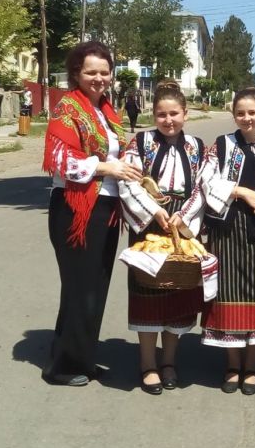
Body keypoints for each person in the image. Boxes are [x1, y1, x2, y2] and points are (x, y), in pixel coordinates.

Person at [41, 40, 137, 386]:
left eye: (104, 72)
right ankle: (62, 366)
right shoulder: (67, 108)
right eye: (90, 72)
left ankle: (82, 357)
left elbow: (119, 153)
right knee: (80, 287)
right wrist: (108, 167)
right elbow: (61, 161)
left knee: (96, 286)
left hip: (107, 208)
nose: (99, 78)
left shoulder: (109, 111)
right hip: (76, 209)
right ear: (76, 74)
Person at [176, 87, 255, 395]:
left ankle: (251, 365)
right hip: (225, 232)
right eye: (240, 113)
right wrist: (241, 191)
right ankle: (232, 364)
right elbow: (206, 181)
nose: (246, 118)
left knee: (254, 297)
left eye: (252, 112)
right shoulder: (222, 145)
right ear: (234, 115)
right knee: (225, 296)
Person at [117, 82, 205, 395]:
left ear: (185, 114)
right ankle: (147, 363)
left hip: (182, 225)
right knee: (148, 293)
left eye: (174, 114)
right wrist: (154, 211)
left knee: (179, 291)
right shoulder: (140, 143)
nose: (168, 120)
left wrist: (185, 217)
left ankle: (169, 361)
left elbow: (202, 187)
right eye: (161, 114)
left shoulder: (196, 146)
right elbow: (128, 184)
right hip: (149, 225)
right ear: (153, 115)